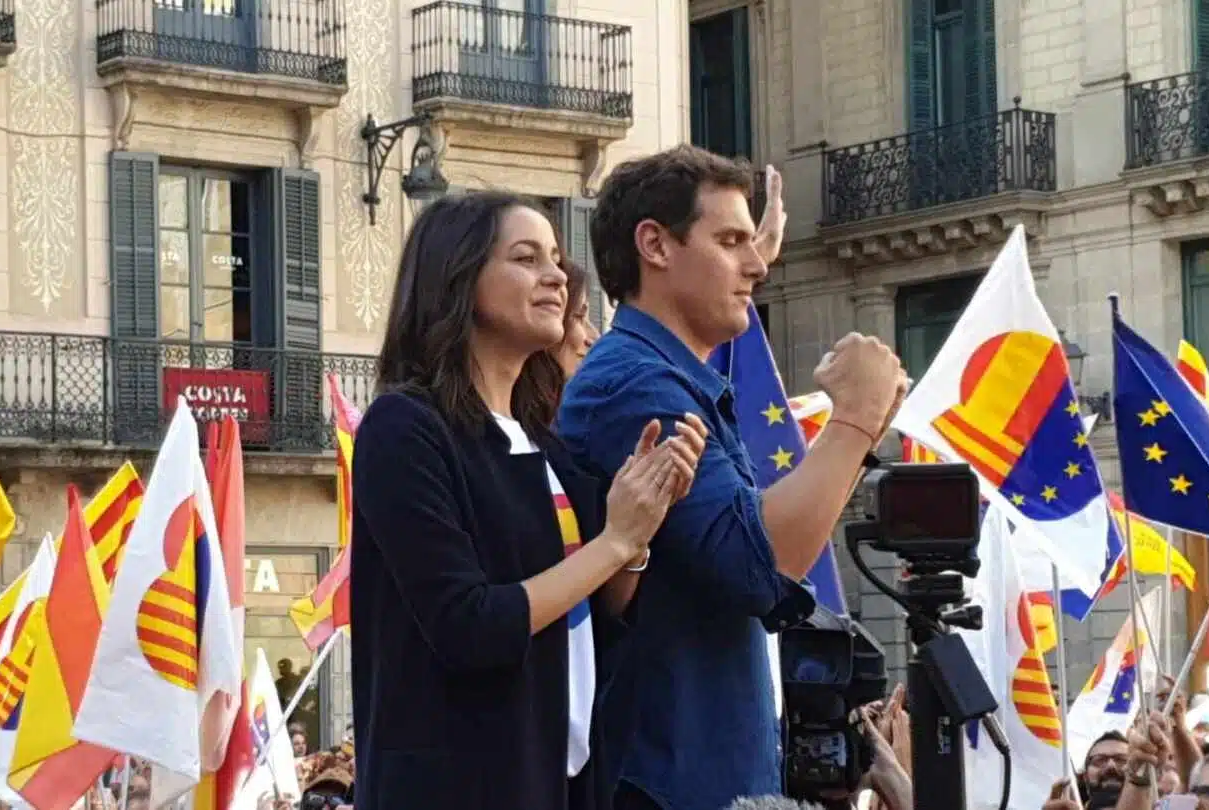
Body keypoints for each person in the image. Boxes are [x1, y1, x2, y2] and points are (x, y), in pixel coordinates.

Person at [557, 146, 907, 810]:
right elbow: (764, 562)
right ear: (655, 245)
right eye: (729, 242)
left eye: (753, 243)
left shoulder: (666, 375)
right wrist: (854, 421)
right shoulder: (634, 384)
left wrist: (855, 431)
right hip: (669, 786)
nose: (756, 266)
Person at [349, 191, 707, 810]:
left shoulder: (548, 445)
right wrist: (615, 540)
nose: (556, 277)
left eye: (557, 260)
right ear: (458, 279)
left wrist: (643, 522)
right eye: (526, 258)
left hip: (565, 782)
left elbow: (597, 612)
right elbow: (467, 624)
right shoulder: (404, 428)